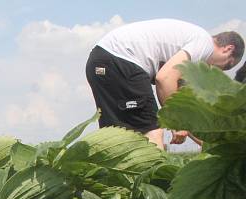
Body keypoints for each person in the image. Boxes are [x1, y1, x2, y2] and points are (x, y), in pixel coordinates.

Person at [86, 19, 244, 149]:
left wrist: (204, 142)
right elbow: (164, 79)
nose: (220, 70)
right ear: (228, 49)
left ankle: (96, 183)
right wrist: (178, 123)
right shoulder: (205, 44)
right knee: (152, 133)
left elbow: (180, 105)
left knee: (117, 136)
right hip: (122, 59)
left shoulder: (189, 49)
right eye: (227, 65)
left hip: (100, 61)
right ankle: (154, 185)